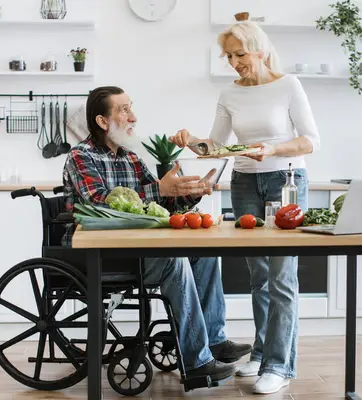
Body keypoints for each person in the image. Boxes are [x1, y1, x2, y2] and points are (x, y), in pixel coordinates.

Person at [61, 85, 252, 383]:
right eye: (124, 110)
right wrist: (159, 188)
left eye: (131, 107)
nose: (132, 116)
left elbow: (160, 201)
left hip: (134, 252)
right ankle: (197, 363)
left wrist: (191, 192)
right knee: (174, 262)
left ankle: (214, 340)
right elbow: (97, 202)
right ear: (102, 121)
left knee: (204, 254)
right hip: (99, 255)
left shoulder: (130, 158)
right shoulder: (80, 157)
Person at [170, 21, 321, 394]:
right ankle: (262, 351)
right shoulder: (230, 93)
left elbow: (310, 141)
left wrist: (271, 149)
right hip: (244, 182)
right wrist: (191, 141)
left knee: (282, 276)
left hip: (284, 181)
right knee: (258, 274)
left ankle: (280, 365)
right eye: (229, 56)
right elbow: (217, 146)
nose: (234, 62)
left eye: (240, 54)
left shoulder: (288, 85)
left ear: (259, 49)